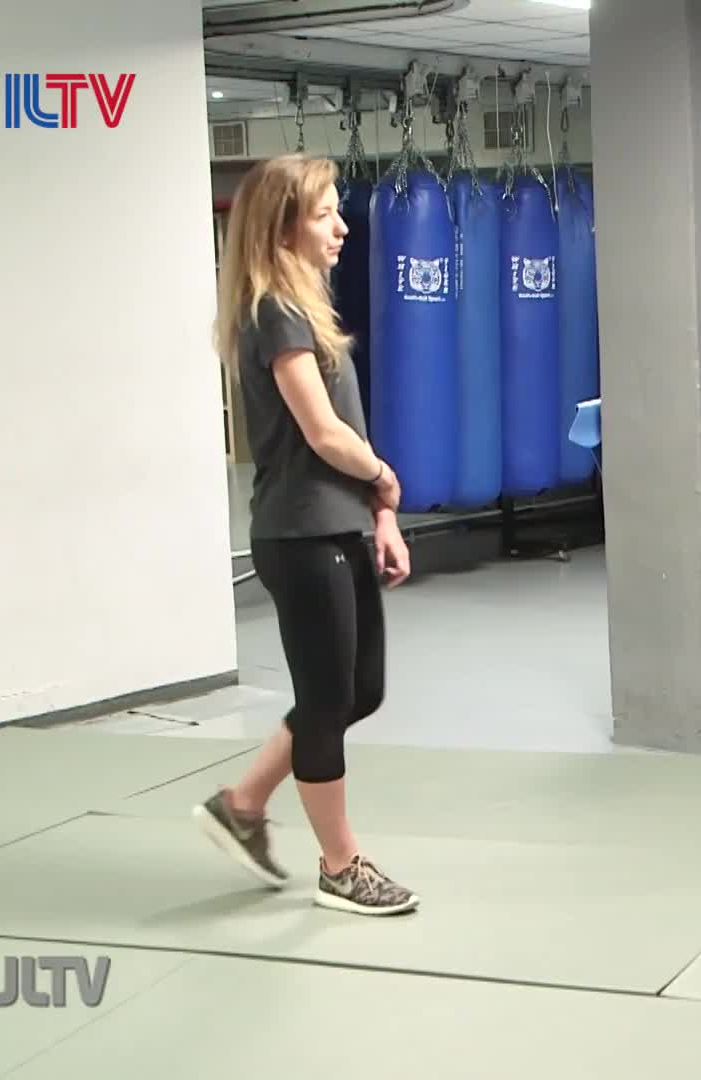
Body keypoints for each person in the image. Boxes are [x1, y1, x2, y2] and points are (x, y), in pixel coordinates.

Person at [194, 153, 420, 917]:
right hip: (301, 534)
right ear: (284, 226)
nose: (343, 227)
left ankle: (244, 803)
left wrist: (379, 513)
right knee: (326, 701)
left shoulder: (306, 306)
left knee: (358, 691)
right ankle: (341, 865)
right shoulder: (275, 312)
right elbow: (324, 433)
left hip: (338, 525)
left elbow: (341, 429)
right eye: (326, 214)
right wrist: (383, 477)